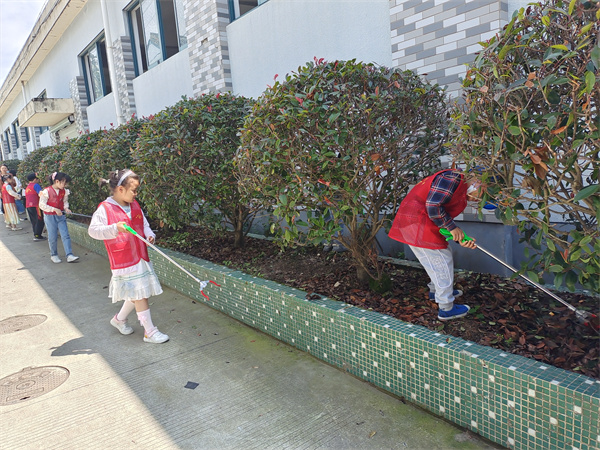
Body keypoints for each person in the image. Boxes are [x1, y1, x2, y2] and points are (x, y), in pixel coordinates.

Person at [88, 169, 169, 344]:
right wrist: (115, 228)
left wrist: (150, 235)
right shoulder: (105, 208)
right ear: (120, 190)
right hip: (124, 260)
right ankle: (150, 332)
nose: (136, 194)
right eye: (133, 190)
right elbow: (93, 231)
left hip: (139, 255)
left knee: (136, 293)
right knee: (140, 295)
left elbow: (144, 224)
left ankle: (119, 319)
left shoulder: (134, 205)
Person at [388, 169, 481, 321]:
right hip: (418, 222)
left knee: (440, 256)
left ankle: (436, 291)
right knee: (441, 261)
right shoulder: (453, 179)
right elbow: (433, 206)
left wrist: (460, 238)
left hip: (422, 221)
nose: (479, 202)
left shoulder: (460, 187)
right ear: (479, 184)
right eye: (482, 198)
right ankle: (446, 307)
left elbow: (442, 218)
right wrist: (452, 228)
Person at [39, 172, 79, 263]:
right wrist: (54, 209)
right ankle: (54, 254)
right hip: (50, 217)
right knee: (52, 236)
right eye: (64, 182)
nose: (65, 185)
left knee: (65, 235)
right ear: (57, 181)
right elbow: (41, 205)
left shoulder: (64, 191)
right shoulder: (46, 191)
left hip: (61, 216)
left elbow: (65, 201)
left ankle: (69, 255)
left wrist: (66, 208)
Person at [25, 173, 46, 241]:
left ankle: (36, 234)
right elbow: (40, 194)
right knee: (39, 220)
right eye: (37, 179)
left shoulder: (28, 187)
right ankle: (38, 235)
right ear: (34, 179)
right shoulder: (36, 185)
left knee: (33, 220)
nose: (38, 180)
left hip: (28, 205)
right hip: (36, 205)